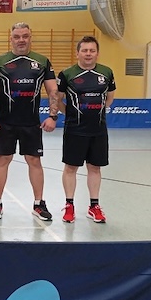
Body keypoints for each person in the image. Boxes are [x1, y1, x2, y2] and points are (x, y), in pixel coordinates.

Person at [0, 22, 59, 221]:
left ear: (30, 37)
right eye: (17, 36)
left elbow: (53, 90)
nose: (21, 40)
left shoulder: (42, 62)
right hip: (5, 122)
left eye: (25, 36)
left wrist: (52, 116)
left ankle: (38, 204)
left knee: (34, 161)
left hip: (31, 123)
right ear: (11, 39)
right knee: (3, 160)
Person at [58, 36, 116, 223]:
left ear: (97, 53)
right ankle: (69, 205)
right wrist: (72, 114)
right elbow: (58, 99)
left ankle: (94, 206)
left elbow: (109, 98)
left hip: (98, 130)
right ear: (77, 53)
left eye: (92, 50)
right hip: (74, 130)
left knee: (95, 168)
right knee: (71, 168)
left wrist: (95, 112)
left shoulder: (106, 73)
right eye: (84, 50)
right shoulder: (67, 74)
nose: (88, 54)